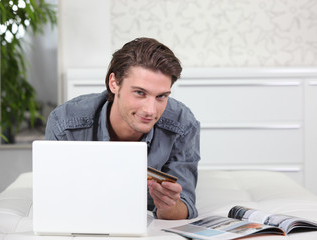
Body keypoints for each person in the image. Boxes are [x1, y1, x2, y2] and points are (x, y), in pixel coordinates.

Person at [45, 37, 200, 220]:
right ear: (114, 83)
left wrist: (168, 207)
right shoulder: (65, 123)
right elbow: (56, 199)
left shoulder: (183, 124)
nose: (150, 110)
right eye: (140, 93)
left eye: (161, 96)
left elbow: (185, 205)